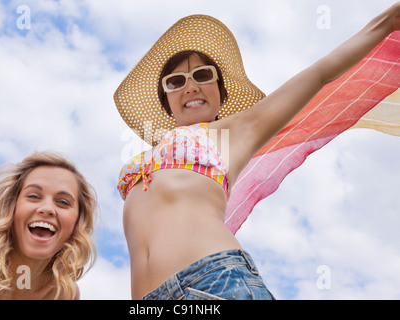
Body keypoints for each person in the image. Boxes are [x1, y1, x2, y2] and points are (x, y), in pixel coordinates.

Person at [115, 4, 400, 300]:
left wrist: (386, 23)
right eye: (176, 82)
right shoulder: (147, 157)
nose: (190, 87)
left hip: (214, 282)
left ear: (219, 92)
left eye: (202, 75)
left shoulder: (234, 131)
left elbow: (319, 74)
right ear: (167, 99)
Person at [0, 151, 97, 300]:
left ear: (78, 221)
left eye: (63, 202)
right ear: (13, 207)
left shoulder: (64, 293)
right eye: (33, 196)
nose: (47, 209)